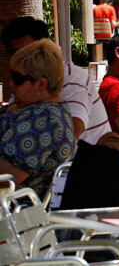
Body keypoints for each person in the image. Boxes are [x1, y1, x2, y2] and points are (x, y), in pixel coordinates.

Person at [1, 16, 111, 144]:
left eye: (28, 51)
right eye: (15, 52)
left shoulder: (72, 78)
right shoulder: (24, 79)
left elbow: (71, 135)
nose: (22, 56)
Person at [0, 39, 75, 197]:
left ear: (41, 84)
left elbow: (7, 179)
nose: (11, 83)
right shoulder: (31, 106)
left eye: (18, 78)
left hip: (13, 210)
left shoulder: (45, 120)